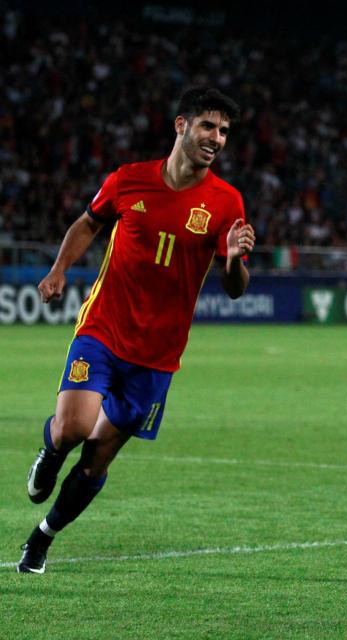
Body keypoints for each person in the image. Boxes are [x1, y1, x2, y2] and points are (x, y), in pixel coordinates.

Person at [17, 87, 255, 574]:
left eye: (224, 131)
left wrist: (233, 260)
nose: (216, 138)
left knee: (96, 461)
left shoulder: (227, 202)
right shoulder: (128, 180)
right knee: (73, 428)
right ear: (181, 125)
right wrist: (60, 269)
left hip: (157, 356)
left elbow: (235, 288)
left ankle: (43, 537)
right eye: (208, 126)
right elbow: (88, 223)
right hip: (103, 328)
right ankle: (51, 450)